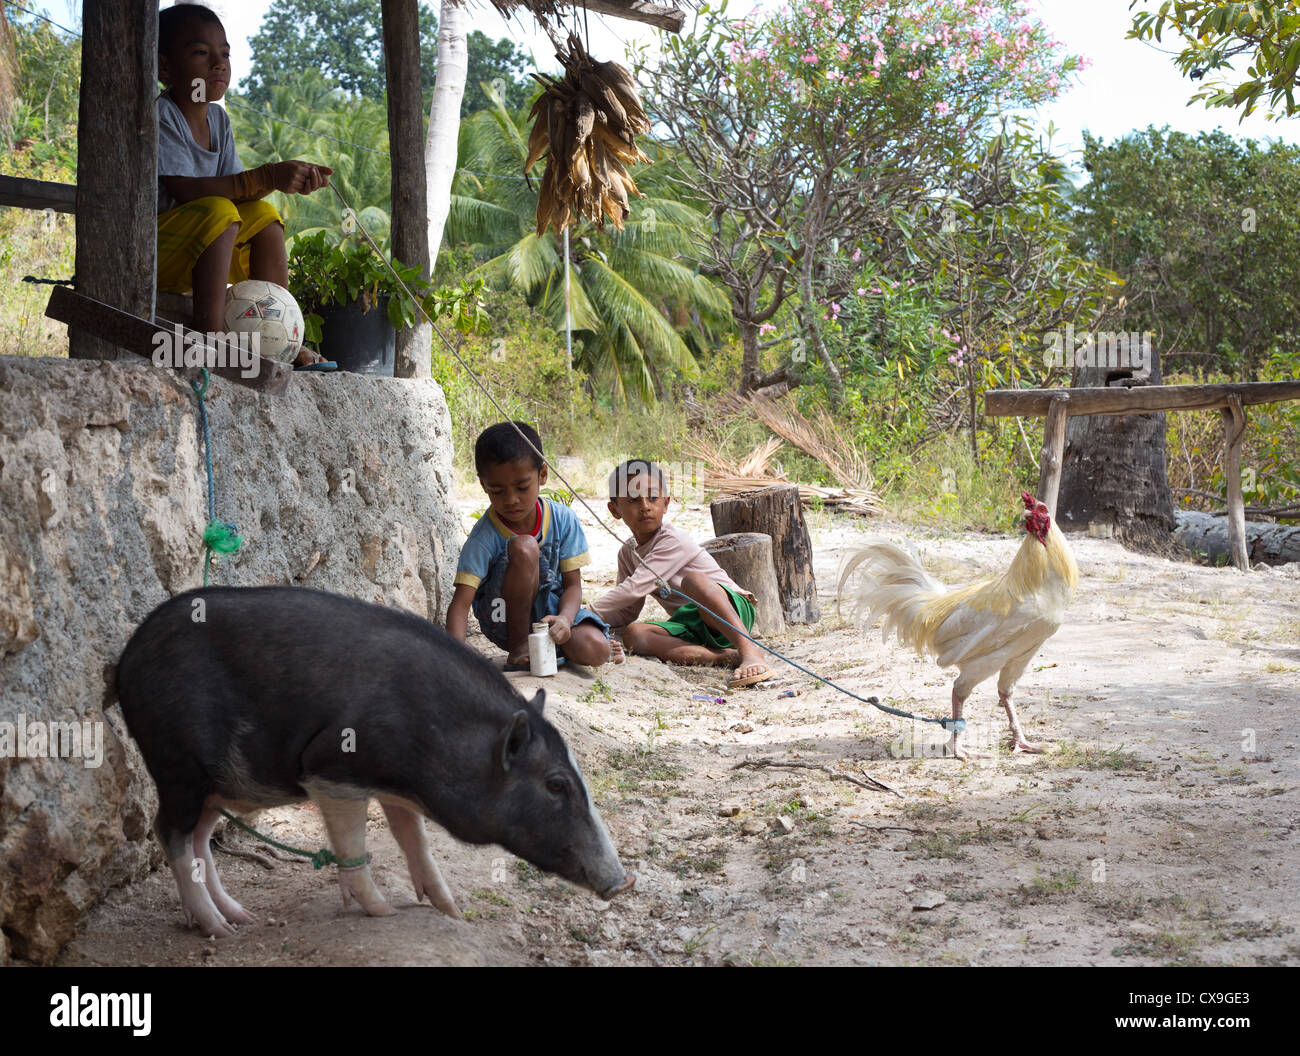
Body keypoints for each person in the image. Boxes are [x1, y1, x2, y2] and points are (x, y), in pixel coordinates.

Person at [155, 3, 331, 366]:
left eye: (225, 53)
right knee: (220, 211)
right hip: (157, 254)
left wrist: (285, 179)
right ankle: (212, 340)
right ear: (165, 66)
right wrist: (266, 176)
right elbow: (185, 190)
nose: (218, 64)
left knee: (263, 216)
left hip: (201, 253)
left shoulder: (218, 119)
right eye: (201, 52)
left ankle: (279, 335)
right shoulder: (163, 114)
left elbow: (241, 193)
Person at [590, 459, 773, 689]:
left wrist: (587, 612)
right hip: (692, 624)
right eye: (633, 500)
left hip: (731, 610)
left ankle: (749, 650)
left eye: (653, 498)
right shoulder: (628, 553)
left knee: (693, 581)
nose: (645, 506)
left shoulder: (672, 540)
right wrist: (594, 622)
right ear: (615, 509)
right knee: (635, 634)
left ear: (665, 503)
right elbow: (628, 610)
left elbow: (635, 587)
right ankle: (724, 657)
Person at [446, 422, 612, 669]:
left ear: (542, 474)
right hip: (503, 619)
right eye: (497, 490)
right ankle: (520, 646)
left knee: (597, 650)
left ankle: (547, 649)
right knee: (525, 547)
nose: (511, 499)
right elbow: (460, 604)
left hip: (550, 614)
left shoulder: (563, 519)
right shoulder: (484, 536)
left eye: (522, 487)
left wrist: (565, 620)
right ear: (483, 485)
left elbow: (573, 586)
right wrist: (453, 661)